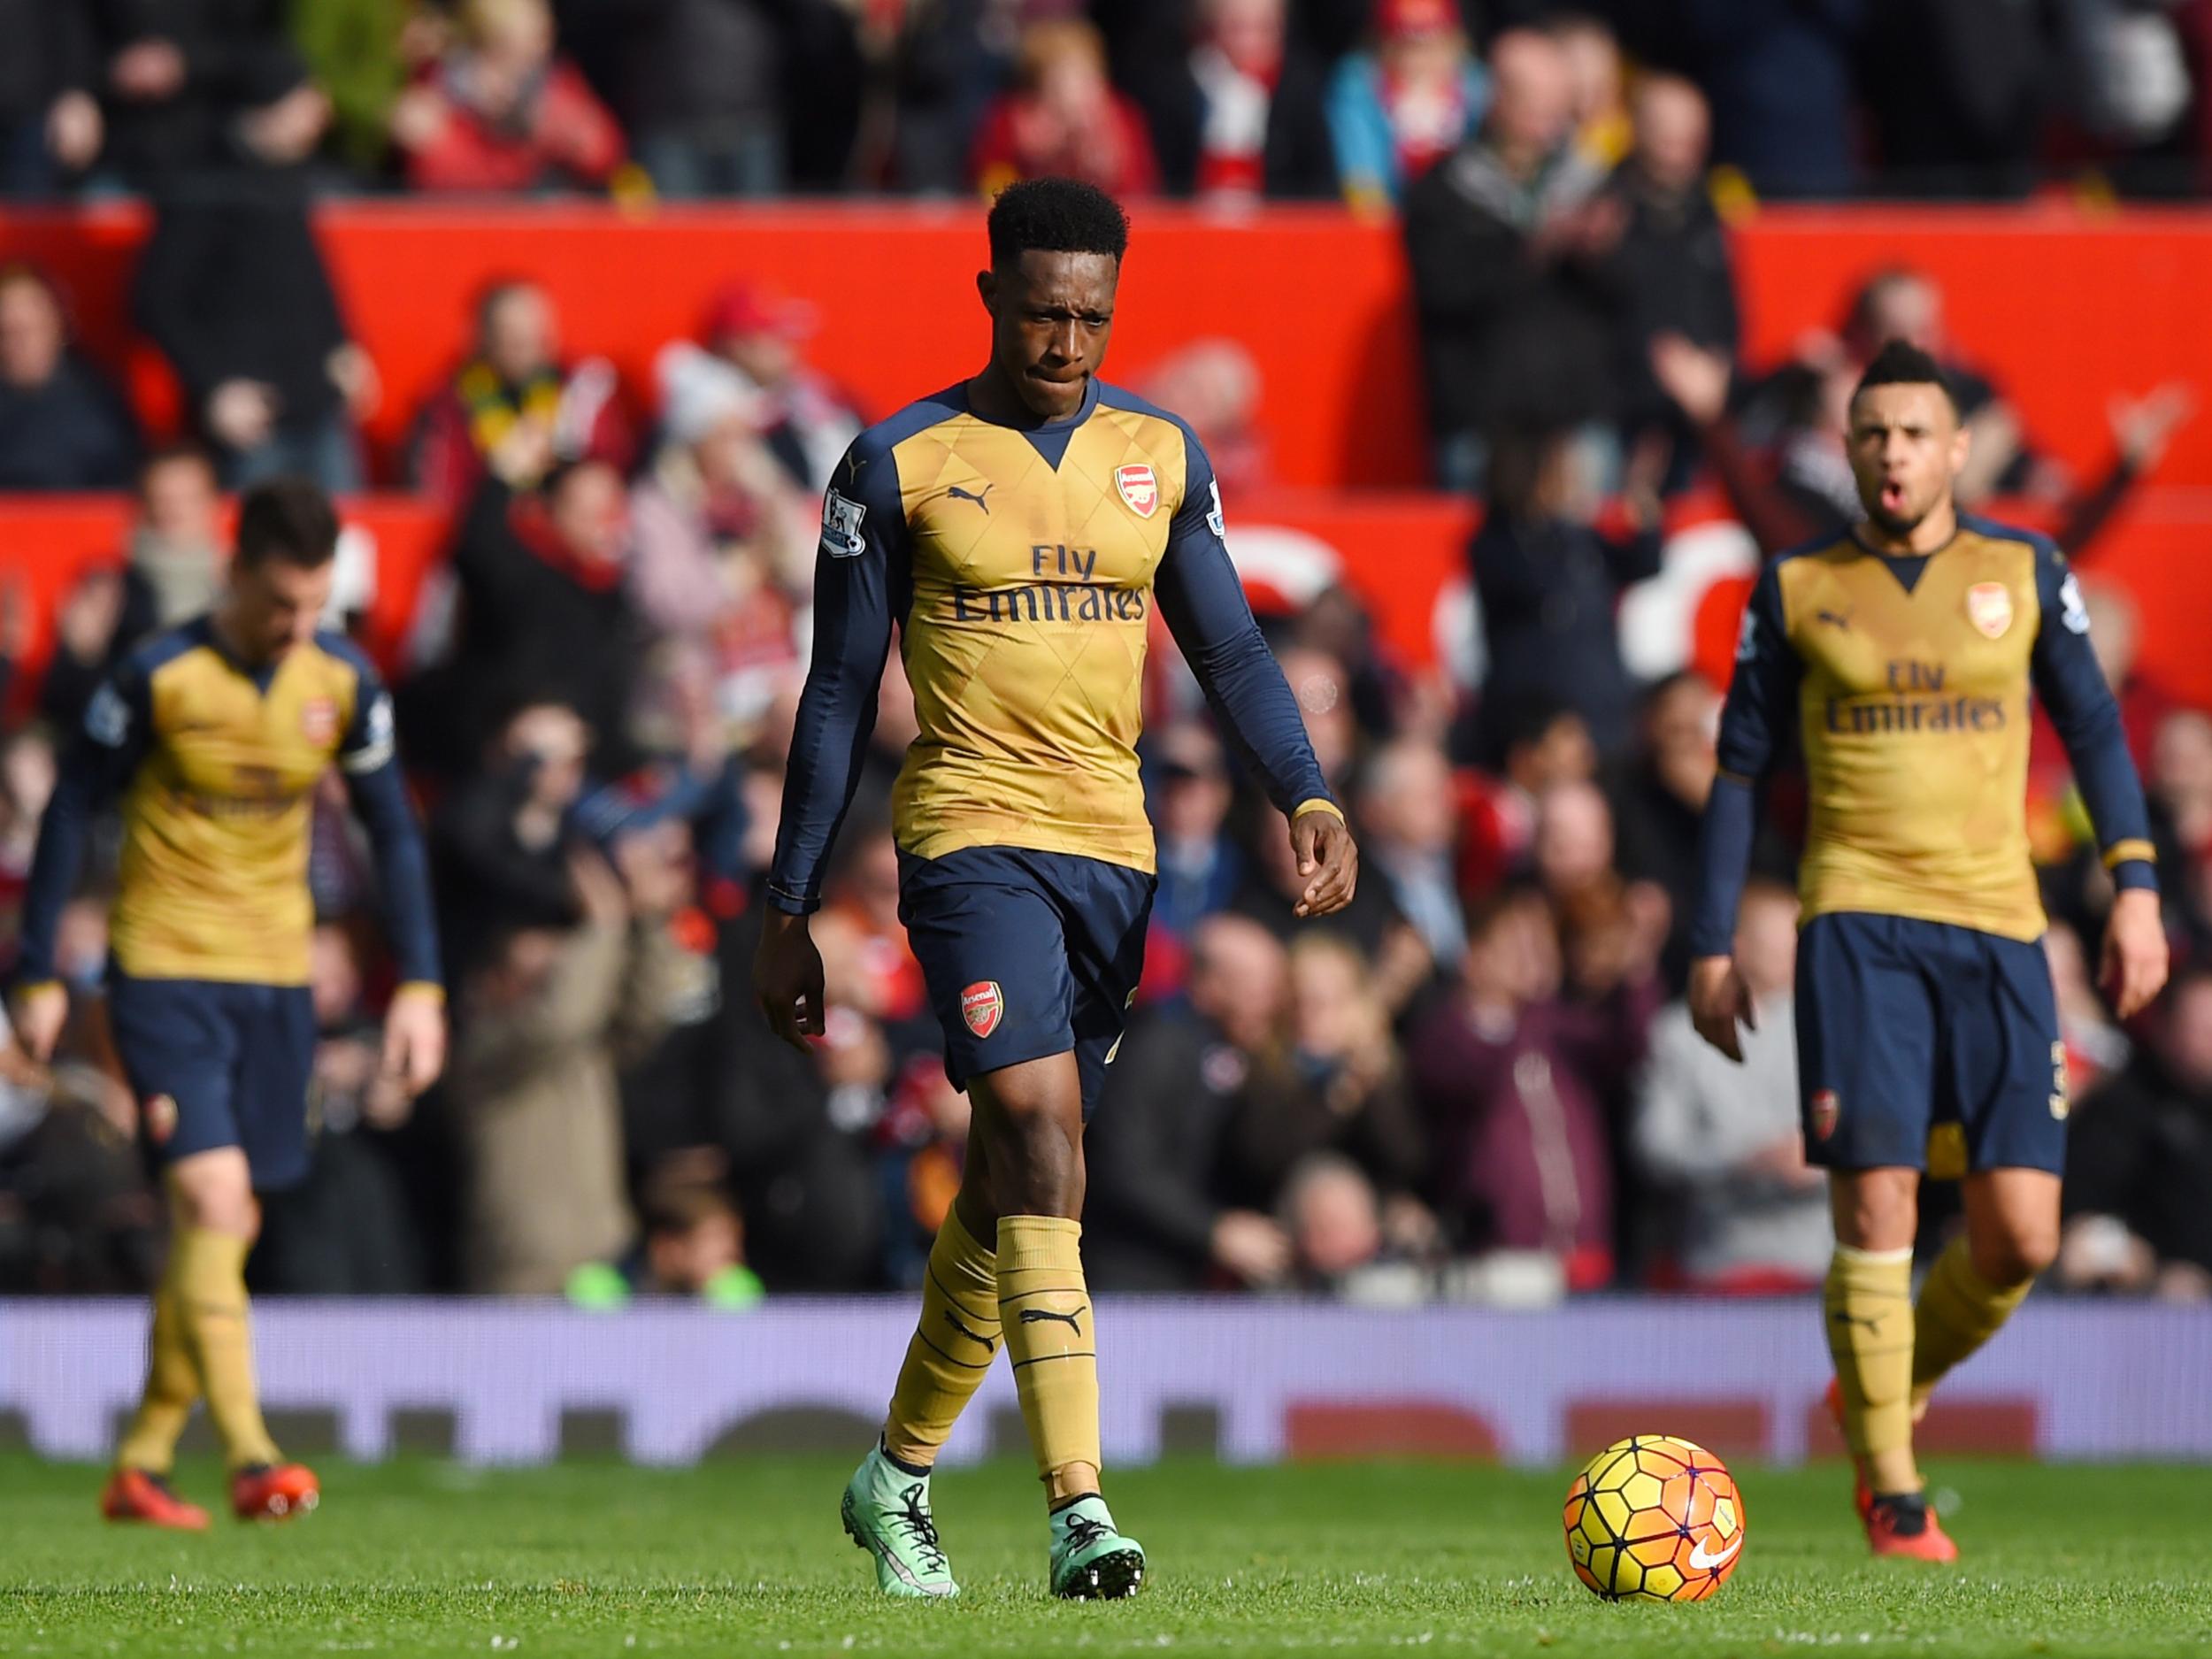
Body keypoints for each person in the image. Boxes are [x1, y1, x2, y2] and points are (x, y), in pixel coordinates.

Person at [751, 179, 1356, 1600]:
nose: (1066, 340)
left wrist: (1307, 787)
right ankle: (1080, 1503)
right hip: (969, 837)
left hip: (1114, 855)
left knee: (1019, 1178)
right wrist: (786, 902)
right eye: (1042, 312)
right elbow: (839, 692)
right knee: (1035, 1125)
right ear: (990, 297)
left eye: (1091, 314)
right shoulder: (897, 461)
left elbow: (1232, 651)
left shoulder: (1158, 453)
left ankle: (893, 1475)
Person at [1686, 340, 2168, 1561]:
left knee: (2019, 1234)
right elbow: (1739, 767)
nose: (1893, 453)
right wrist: (1710, 939)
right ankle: (1892, 1487)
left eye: (1915, 433)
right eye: (1872, 434)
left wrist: (2137, 888)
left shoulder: (2023, 569)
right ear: (1847, 453)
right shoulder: (1798, 585)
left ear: (1958, 451)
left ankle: (1888, 1387)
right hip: (1857, 923)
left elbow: (2097, 725)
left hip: (2002, 927)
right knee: (1881, 1201)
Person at [7, 479, 445, 1529]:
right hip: (162, 975)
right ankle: (251, 1454)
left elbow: (392, 833)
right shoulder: (160, 676)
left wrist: (420, 983)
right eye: (280, 603)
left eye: (313, 607)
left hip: (276, 986)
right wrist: (34, 970)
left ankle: (144, 1461)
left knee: (228, 1221)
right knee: (210, 1202)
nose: (296, 626)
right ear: (233, 572)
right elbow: (71, 805)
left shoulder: (340, 683)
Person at [1633, 879, 1829, 1288]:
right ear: (1737, 945)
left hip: (1816, 1263)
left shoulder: (1835, 1030)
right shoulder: (1679, 1035)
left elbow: (1875, 1131)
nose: (1789, 952)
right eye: (1775, 940)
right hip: (1717, 1262)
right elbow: (1656, 1145)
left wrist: (1817, 1155)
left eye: (1795, 938)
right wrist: (1747, 1160)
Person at [0, 262, 140, 490]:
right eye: (8, 332)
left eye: (32, 328)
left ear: (58, 322)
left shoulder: (98, 396)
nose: (21, 341)